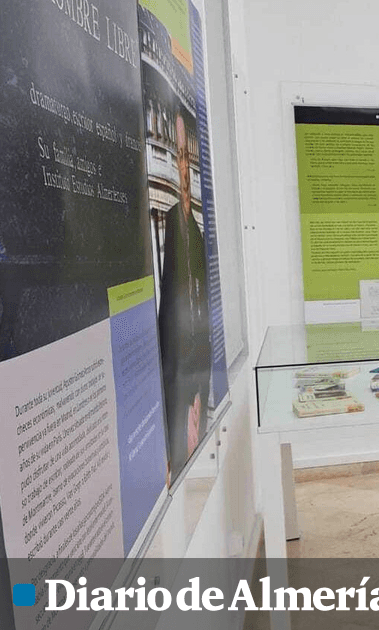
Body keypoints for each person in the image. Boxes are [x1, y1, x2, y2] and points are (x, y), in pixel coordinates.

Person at [158, 114, 211, 471]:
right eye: (178, 156)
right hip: (180, 343)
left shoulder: (198, 226)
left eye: (186, 157)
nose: (183, 166)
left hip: (200, 340)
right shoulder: (174, 219)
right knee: (181, 420)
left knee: (197, 416)